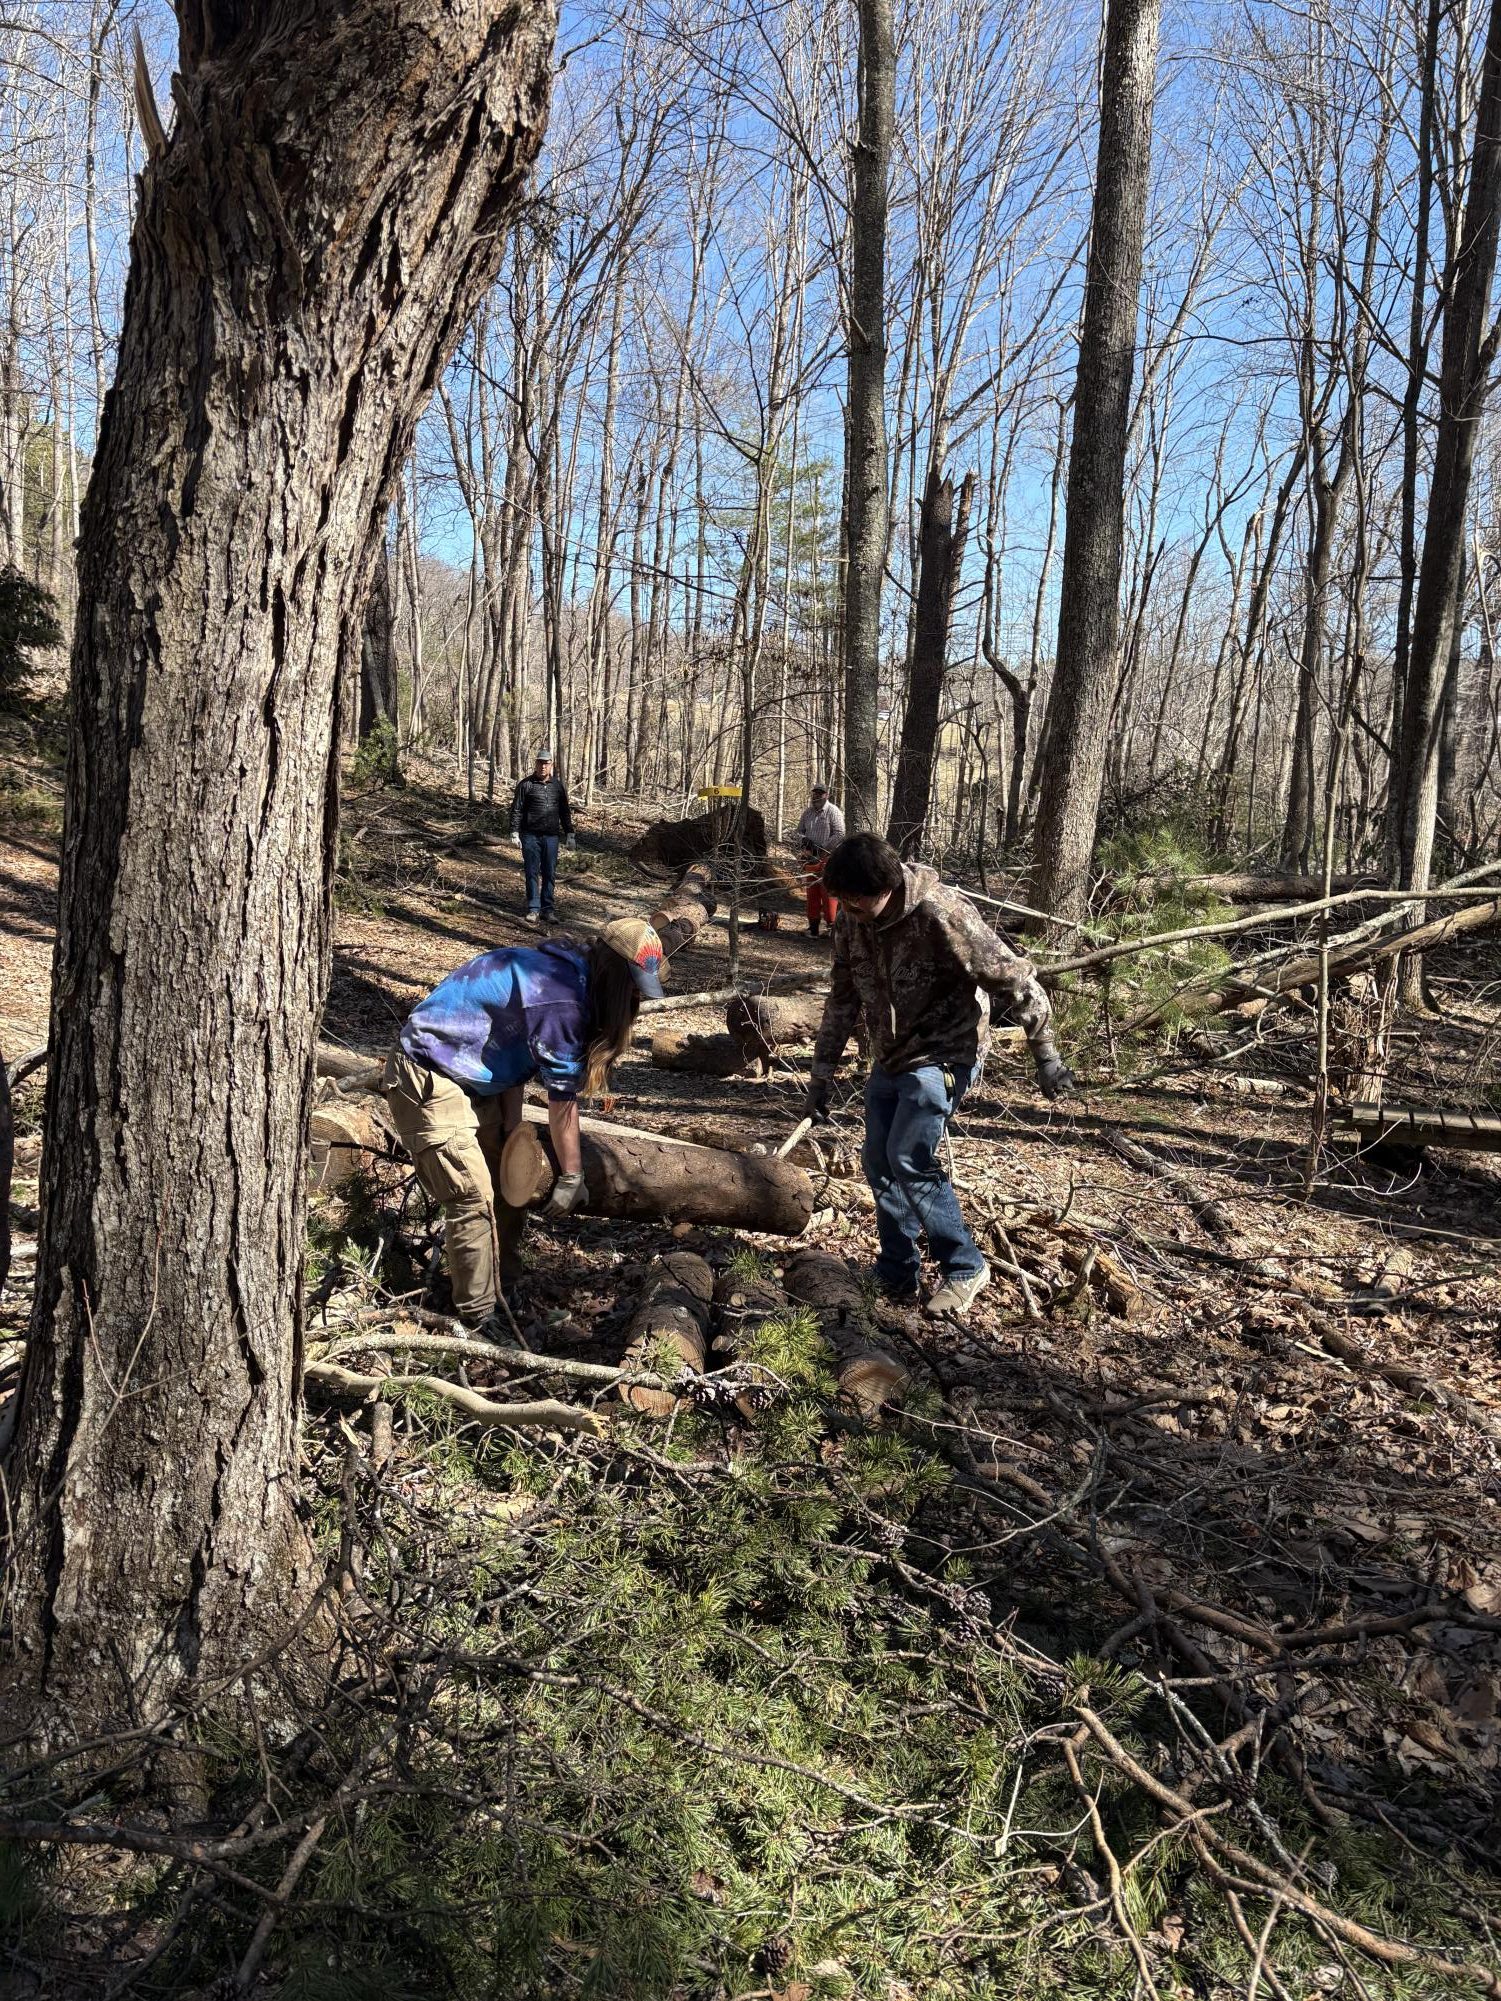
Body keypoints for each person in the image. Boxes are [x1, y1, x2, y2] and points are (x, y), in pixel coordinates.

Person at [803, 833, 1074, 1319]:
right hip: (890, 1056)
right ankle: (897, 1268)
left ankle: (965, 1266)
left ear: (886, 886)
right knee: (879, 1161)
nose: (850, 909)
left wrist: (1046, 1052)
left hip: (946, 1053)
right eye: (843, 900)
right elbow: (842, 998)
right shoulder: (850, 919)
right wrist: (821, 1074)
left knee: (909, 1156)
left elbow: (1015, 979)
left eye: (858, 899)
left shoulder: (942, 913)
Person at [384, 918, 666, 1329]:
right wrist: (571, 1176)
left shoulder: (572, 976)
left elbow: (515, 1056)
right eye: (635, 987)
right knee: (471, 1196)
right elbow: (562, 1100)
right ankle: (479, 1320)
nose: (636, 998)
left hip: (480, 1080)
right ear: (616, 974)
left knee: (507, 1186)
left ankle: (505, 1293)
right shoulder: (561, 999)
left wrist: (510, 1133)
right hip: (429, 1072)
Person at [509, 749, 574, 925]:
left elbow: (564, 811)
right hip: (530, 835)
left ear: (551, 764)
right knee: (531, 872)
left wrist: (570, 833)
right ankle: (533, 909)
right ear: (536, 764)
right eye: (540, 763)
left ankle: (548, 910)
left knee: (549, 872)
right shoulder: (526, 785)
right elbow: (517, 809)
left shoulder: (557, 786)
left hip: (551, 837)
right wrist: (514, 832)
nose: (543, 766)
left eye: (546, 763)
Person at [796, 783, 846, 935]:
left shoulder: (833, 811)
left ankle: (832, 927)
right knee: (812, 893)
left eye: (820, 793)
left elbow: (840, 833)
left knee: (829, 893)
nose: (817, 795)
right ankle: (813, 926)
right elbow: (798, 831)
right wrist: (804, 842)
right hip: (811, 859)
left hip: (828, 858)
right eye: (815, 793)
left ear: (826, 795)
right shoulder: (808, 813)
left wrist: (822, 847)